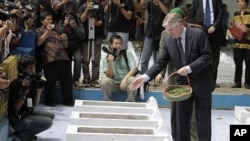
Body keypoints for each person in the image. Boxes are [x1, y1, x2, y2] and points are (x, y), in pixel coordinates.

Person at [129, 12, 215, 141]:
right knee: (181, 123)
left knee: (202, 122)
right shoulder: (169, 40)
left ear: (180, 24)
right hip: (181, 86)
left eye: (170, 30)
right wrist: (145, 77)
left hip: (201, 83)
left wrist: (189, 68)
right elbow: (160, 62)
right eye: (166, 30)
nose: (168, 33)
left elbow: (207, 56)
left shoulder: (198, 35)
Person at [8, 55, 54, 141]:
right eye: (30, 68)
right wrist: (24, 92)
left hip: (27, 113)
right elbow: (16, 108)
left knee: (50, 115)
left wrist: (39, 90)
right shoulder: (15, 84)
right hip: (18, 118)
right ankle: (23, 134)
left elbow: (35, 103)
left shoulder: (32, 81)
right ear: (22, 68)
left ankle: (25, 133)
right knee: (48, 122)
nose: (32, 71)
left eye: (33, 68)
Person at [35, 11, 73, 107]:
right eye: (47, 19)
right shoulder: (39, 30)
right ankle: (49, 100)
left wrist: (65, 39)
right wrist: (47, 32)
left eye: (51, 19)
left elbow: (66, 46)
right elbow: (39, 43)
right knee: (51, 80)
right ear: (42, 21)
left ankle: (68, 100)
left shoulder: (57, 30)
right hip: (50, 58)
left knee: (67, 79)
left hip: (63, 56)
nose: (50, 21)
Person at [188, 0, 223, 88]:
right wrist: (198, 27)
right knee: (202, 56)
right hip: (202, 30)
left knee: (214, 57)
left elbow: (221, 13)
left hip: (215, 30)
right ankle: (202, 79)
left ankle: (213, 80)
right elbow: (191, 16)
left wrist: (215, 25)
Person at [139, 0, 170, 89]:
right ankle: (144, 79)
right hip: (149, 33)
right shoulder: (150, 3)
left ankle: (157, 79)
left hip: (161, 34)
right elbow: (142, 4)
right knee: (144, 59)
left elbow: (167, 13)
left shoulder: (166, 2)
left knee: (159, 60)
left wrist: (159, 2)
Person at [100, 34, 138, 102]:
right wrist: (110, 63)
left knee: (132, 79)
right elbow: (109, 76)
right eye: (116, 43)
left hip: (126, 83)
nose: (118, 45)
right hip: (114, 83)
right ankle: (108, 101)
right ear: (111, 45)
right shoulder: (106, 58)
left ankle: (130, 102)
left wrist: (124, 80)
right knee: (104, 82)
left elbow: (134, 69)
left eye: (120, 43)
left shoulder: (127, 53)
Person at [79, 0, 105, 87]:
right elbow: (81, 20)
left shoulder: (99, 6)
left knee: (96, 59)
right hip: (86, 37)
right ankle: (86, 78)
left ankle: (95, 79)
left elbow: (102, 21)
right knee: (85, 59)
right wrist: (87, 9)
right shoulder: (82, 6)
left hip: (97, 36)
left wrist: (96, 23)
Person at [57, 10, 86, 87]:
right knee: (64, 61)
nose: (69, 19)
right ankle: (65, 79)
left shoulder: (78, 23)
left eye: (71, 17)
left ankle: (76, 79)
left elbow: (83, 36)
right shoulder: (61, 23)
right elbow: (58, 33)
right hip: (64, 46)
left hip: (76, 45)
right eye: (67, 17)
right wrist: (64, 25)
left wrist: (76, 28)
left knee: (78, 59)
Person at [226, 0, 250, 89]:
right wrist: (229, 31)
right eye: (238, 1)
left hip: (248, 42)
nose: (240, 3)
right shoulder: (236, 13)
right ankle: (237, 82)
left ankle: (248, 83)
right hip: (237, 42)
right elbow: (232, 25)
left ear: (246, 3)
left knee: (248, 63)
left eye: (242, 1)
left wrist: (247, 29)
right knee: (238, 63)